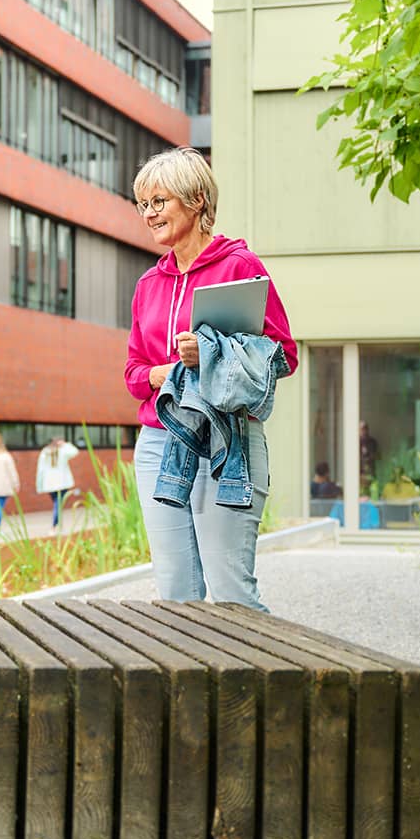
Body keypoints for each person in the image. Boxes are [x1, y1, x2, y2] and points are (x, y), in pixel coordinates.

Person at [124, 147, 298, 611]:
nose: (149, 214)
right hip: (161, 444)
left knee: (232, 592)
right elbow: (134, 375)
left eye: (159, 201)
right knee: (176, 595)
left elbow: (284, 355)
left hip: (228, 443)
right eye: (143, 205)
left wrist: (213, 355)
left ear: (196, 199)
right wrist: (166, 373)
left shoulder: (240, 267)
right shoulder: (148, 285)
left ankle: (260, 683)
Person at [35, 436, 79, 526]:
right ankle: (55, 525)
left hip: (49, 484)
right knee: (58, 504)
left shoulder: (44, 453)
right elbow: (75, 451)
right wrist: (65, 444)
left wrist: (39, 486)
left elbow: (40, 470)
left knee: (57, 503)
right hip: (62, 483)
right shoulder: (62, 451)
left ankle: (58, 524)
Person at [358, 421, 380, 492]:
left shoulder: (372, 442)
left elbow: (377, 455)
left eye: (364, 429)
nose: (363, 431)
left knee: (371, 490)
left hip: (370, 471)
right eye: (361, 429)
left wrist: (369, 457)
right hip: (359, 472)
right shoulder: (355, 441)